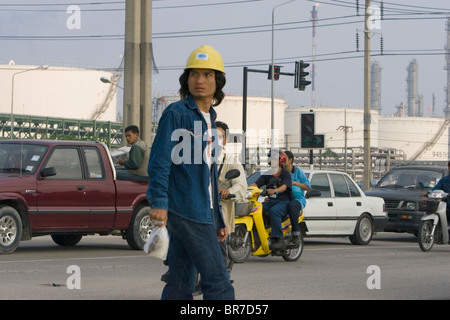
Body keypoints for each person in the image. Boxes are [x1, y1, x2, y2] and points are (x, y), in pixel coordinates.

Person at [147, 45, 235, 300]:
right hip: (186, 210)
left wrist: (216, 218)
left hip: (201, 211)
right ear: (187, 79)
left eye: (208, 75)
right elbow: (160, 161)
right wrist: (159, 202)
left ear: (217, 82)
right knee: (219, 284)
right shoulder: (177, 114)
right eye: (194, 74)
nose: (200, 80)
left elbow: (208, 176)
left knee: (180, 282)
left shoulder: (210, 118)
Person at [216, 121, 248, 272]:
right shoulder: (197, 160)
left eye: (219, 136)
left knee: (219, 242)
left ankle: (222, 273)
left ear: (225, 140)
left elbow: (241, 185)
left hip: (219, 208)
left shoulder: (232, 161)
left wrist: (228, 192)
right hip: (198, 208)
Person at [249, 148, 292, 250]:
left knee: (274, 212)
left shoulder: (285, 174)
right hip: (271, 201)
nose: (271, 160)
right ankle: (261, 233)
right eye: (270, 158)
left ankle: (279, 238)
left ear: (280, 160)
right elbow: (256, 184)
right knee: (256, 210)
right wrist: (246, 188)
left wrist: (275, 190)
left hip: (283, 202)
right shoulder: (267, 174)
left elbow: (285, 187)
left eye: (274, 158)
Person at [284, 150, 310, 244]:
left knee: (292, 205)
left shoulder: (298, 172)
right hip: (283, 199)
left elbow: (307, 186)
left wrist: (294, 183)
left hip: (297, 200)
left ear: (290, 160)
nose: (282, 160)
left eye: (284, 158)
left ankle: (295, 232)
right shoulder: (280, 172)